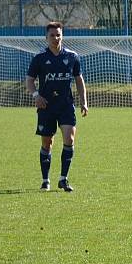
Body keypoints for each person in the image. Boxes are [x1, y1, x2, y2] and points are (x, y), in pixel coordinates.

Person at [25, 21, 88, 192]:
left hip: (66, 105)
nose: (55, 38)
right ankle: (45, 180)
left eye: (58, 34)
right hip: (46, 107)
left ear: (62, 36)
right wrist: (36, 95)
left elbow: (79, 80)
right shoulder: (39, 58)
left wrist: (84, 101)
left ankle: (63, 179)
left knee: (70, 139)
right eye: (52, 35)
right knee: (47, 142)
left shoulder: (72, 56)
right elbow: (30, 80)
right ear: (46, 37)